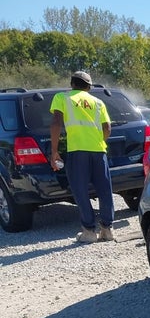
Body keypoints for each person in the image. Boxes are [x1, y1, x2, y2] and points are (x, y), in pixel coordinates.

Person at [50, 70, 115, 243]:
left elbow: (56, 122)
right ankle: (107, 230)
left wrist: (54, 151)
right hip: (99, 150)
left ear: (72, 84)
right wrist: (97, 142)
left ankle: (89, 231)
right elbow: (107, 128)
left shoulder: (62, 98)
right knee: (105, 190)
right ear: (89, 87)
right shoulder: (98, 102)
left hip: (77, 151)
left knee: (80, 191)